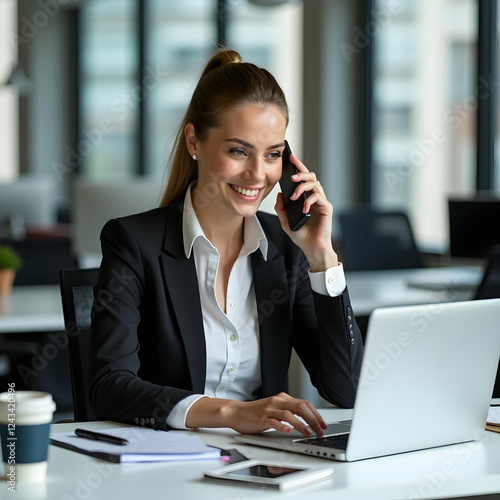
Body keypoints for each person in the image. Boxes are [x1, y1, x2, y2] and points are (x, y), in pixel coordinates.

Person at [88, 48, 363, 436]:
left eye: (273, 155)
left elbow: (345, 388)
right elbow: (108, 387)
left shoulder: (285, 252)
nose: (257, 174)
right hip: (163, 468)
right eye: (238, 151)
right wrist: (231, 413)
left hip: (263, 466)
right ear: (194, 141)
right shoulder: (134, 243)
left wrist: (321, 257)